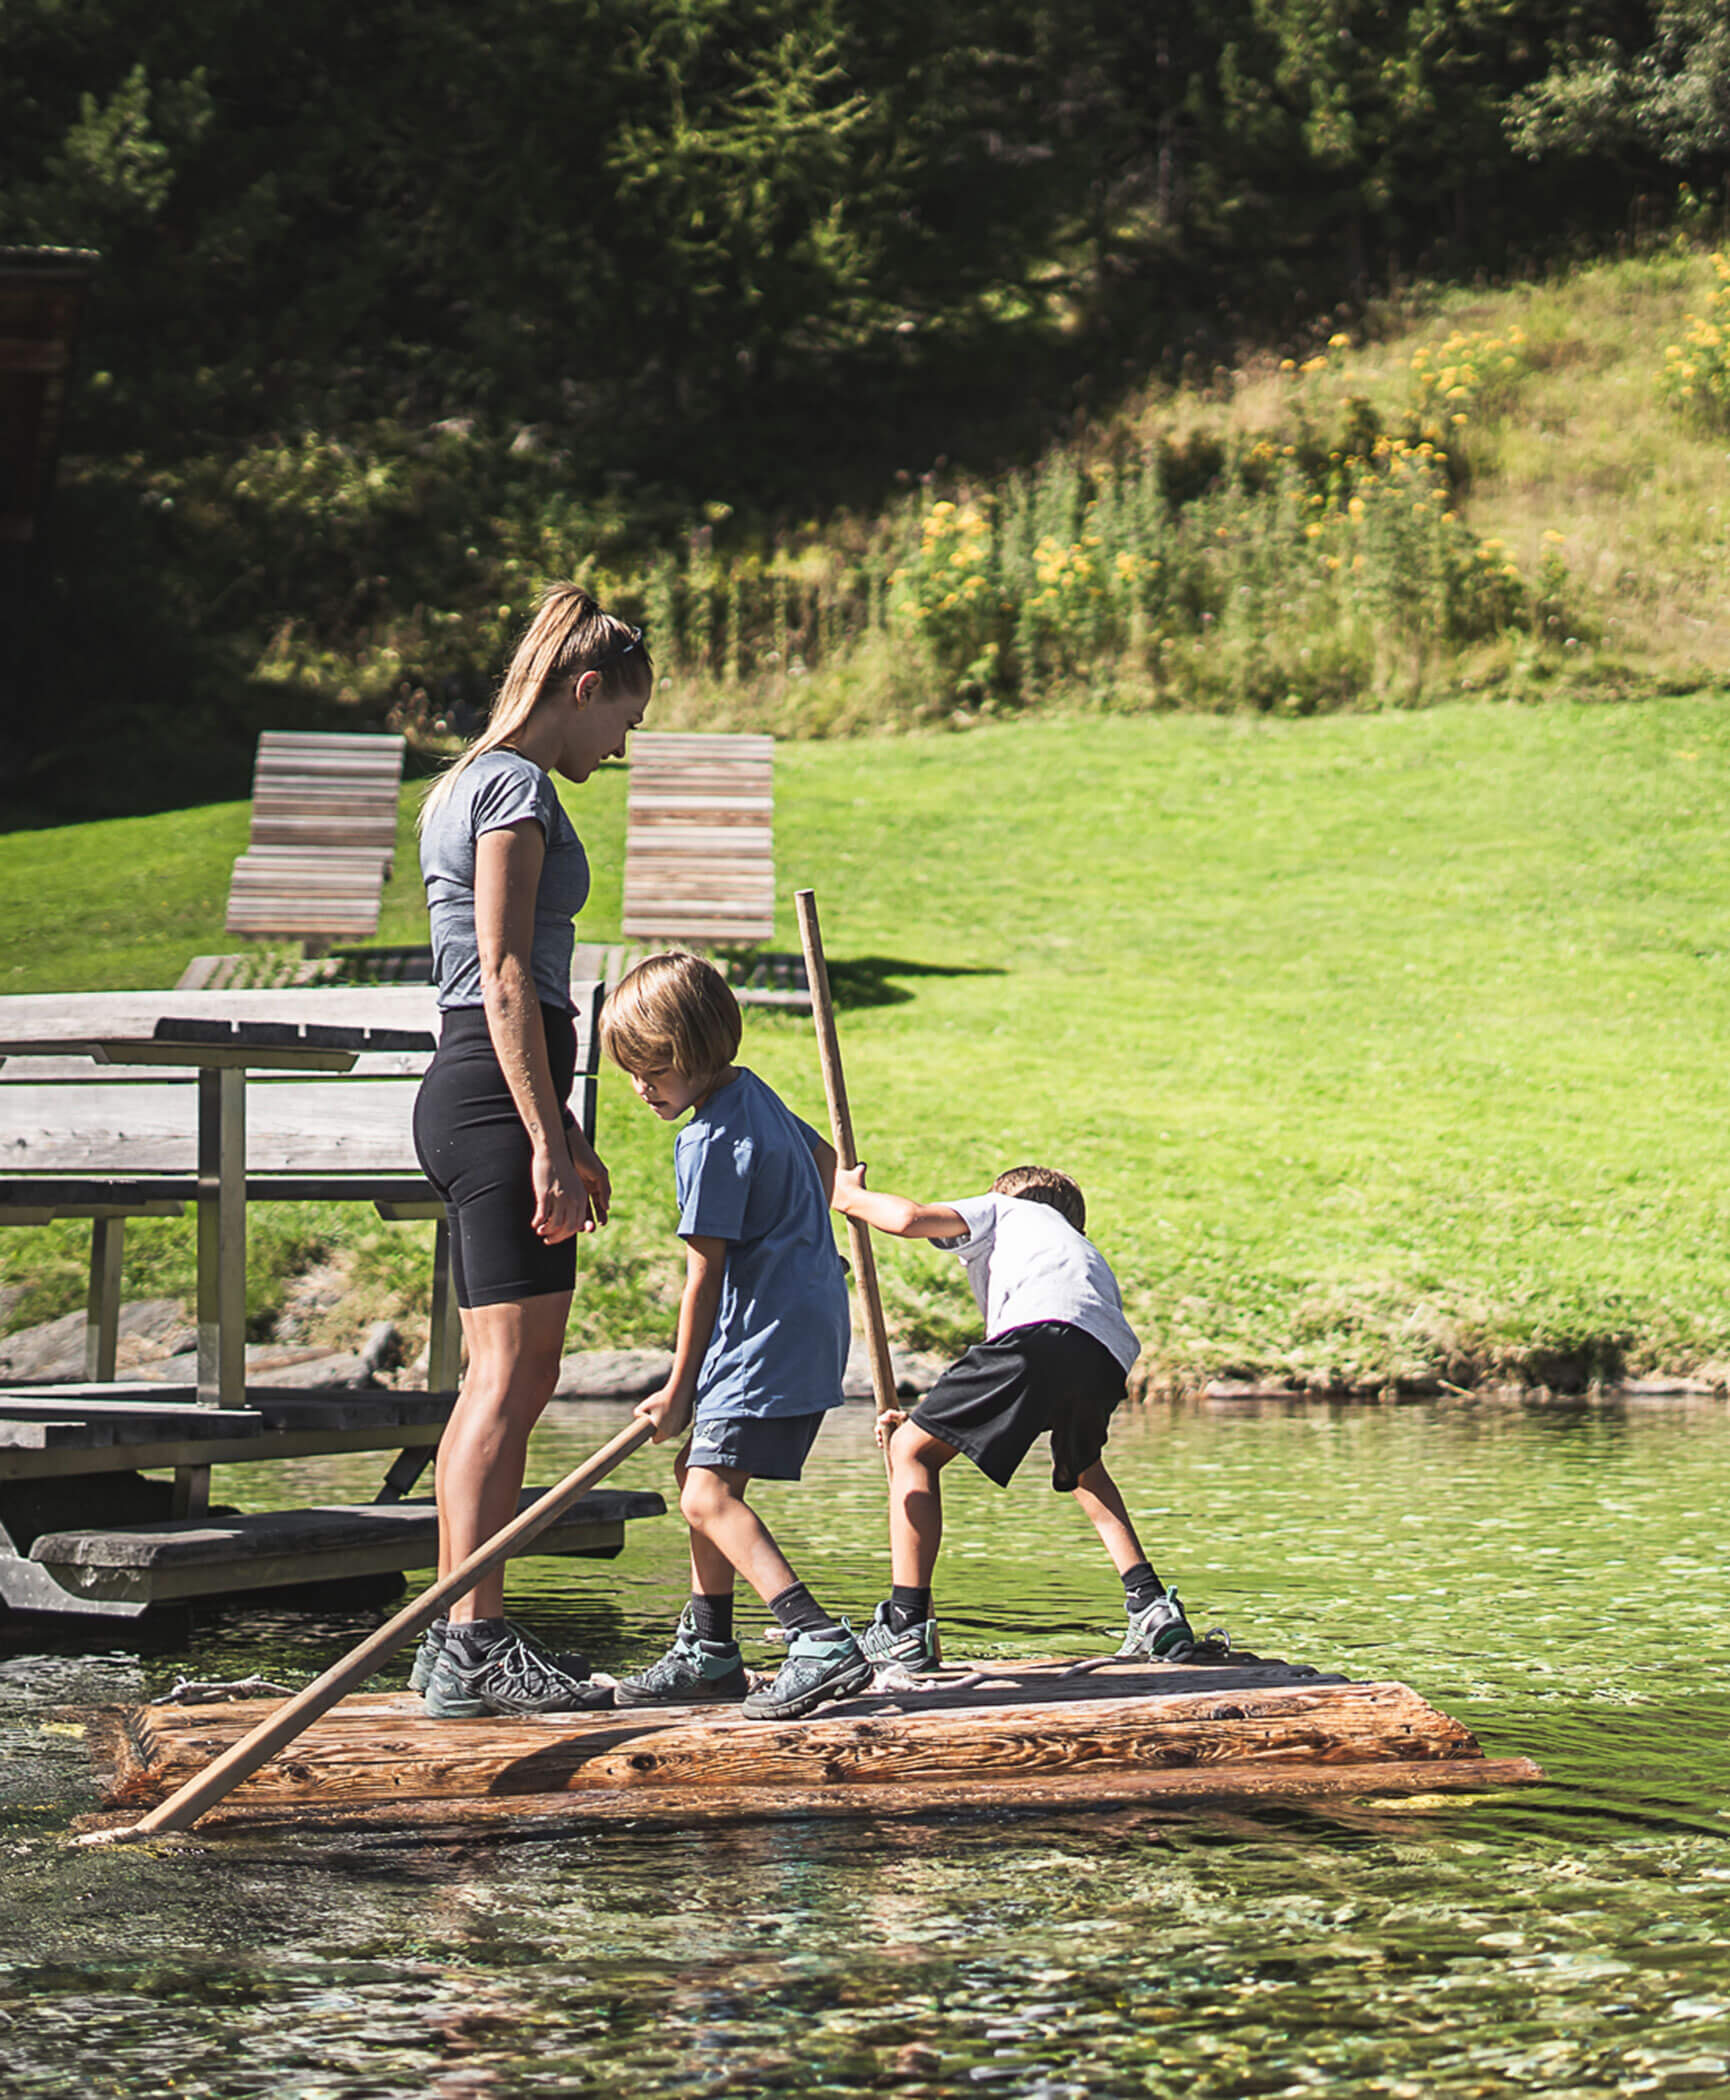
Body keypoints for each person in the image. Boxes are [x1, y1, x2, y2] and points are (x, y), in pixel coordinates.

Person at [409, 583, 651, 1718]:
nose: (623, 747)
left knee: (501, 1380)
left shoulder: (462, 781)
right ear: (584, 688)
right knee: (511, 1381)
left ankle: (454, 1643)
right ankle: (473, 1640)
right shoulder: (511, 787)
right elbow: (503, 973)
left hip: (488, 1094)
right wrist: (546, 1138)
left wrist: (563, 1129)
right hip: (495, 1098)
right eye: (624, 721)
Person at [598, 951, 872, 1722]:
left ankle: (817, 1640)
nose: (641, 1088)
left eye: (653, 1070)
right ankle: (709, 1651)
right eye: (632, 1072)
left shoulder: (708, 1141)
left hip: (762, 1336)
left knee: (706, 1493)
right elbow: (828, 1163)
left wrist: (677, 1389)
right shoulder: (754, 1093)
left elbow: (704, 1279)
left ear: (692, 1052)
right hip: (808, 1319)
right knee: (700, 1473)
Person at [830, 1161, 1227, 1669]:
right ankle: (1151, 1606)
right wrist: (926, 1423)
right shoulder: (1075, 1248)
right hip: (1105, 1355)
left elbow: (908, 1219)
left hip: (1041, 1334)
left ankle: (904, 1626)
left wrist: (847, 1196)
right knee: (1083, 1471)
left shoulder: (1008, 1209)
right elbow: (1029, 1380)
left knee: (911, 1454)